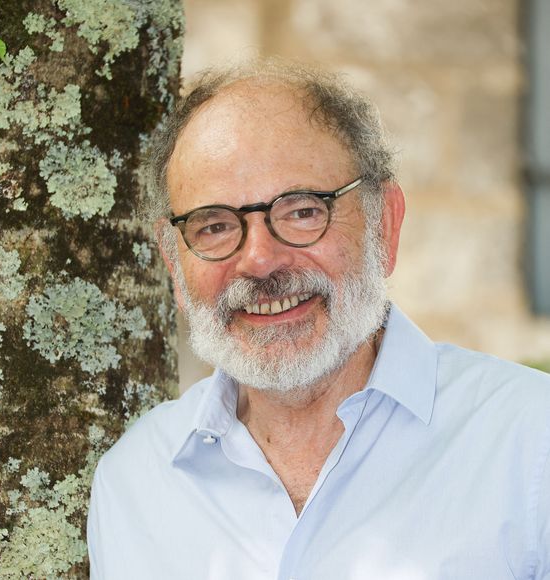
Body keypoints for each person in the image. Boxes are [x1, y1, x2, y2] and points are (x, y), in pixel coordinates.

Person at [87, 60, 550, 580]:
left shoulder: (532, 442)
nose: (259, 260)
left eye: (303, 211)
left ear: (384, 225)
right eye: (214, 225)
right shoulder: (132, 484)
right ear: (174, 263)